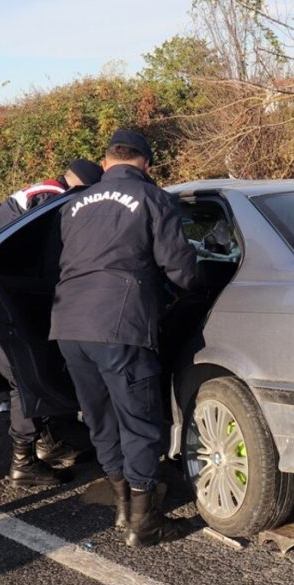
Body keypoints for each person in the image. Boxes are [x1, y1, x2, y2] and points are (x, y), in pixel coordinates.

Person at [51, 130, 199, 548]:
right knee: (138, 420)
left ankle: (121, 508)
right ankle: (144, 522)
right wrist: (193, 291)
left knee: (101, 418)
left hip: (68, 324)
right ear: (146, 164)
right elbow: (181, 270)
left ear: (105, 162)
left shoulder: (75, 203)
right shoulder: (155, 199)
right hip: (119, 324)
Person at [0, 158, 104, 486]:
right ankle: (24, 463)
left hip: (0, 294)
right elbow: (51, 266)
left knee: (34, 372)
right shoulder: (49, 201)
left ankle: (44, 441)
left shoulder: (44, 193)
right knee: (24, 379)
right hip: (4, 300)